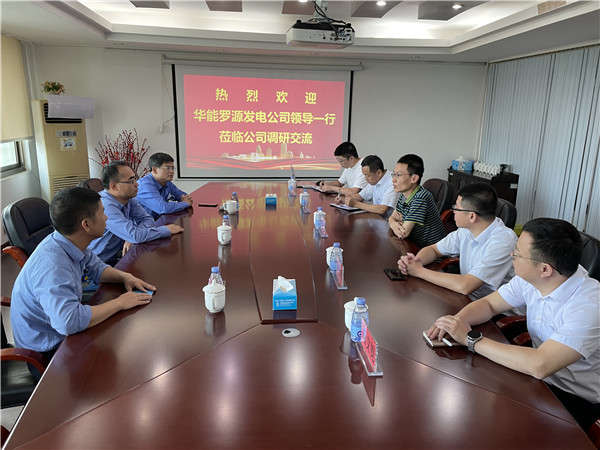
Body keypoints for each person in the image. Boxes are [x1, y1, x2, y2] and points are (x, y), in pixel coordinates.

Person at [426, 218, 599, 430]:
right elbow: (490, 304)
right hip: (535, 381)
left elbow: (540, 364)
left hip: (572, 399)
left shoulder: (590, 306)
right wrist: (457, 321)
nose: (511, 255)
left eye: (517, 253)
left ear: (545, 269)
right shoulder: (534, 277)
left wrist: (470, 339)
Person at [10, 187, 155, 380]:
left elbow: (97, 267)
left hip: (62, 332)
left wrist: (125, 277)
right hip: (46, 352)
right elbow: (68, 322)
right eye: (102, 213)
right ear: (86, 225)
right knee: (126, 366)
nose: (106, 218)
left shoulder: (68, 241)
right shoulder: (53, 266)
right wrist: (120, 303)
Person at [398, 182, 517, 299]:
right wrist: (416, 262)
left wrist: (419, 271)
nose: (453, 211)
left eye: (456, 208)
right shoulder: (466, 230)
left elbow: (466, 285)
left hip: (493, 307)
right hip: (467, 298)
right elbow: (434, 249)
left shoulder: (503, 242)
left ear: (471, 216)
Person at [89, 161, 183, 264]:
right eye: (131, 181)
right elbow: (135, 235)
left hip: (117, 257)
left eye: (135, 179)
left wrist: (131, 236)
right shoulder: (105, 205)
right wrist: (164, 230)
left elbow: (147, 219)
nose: (137, 184)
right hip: (95, 265)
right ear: (114, 186)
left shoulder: (128, 198)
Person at [388, 154, 445, 249]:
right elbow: (392, 217)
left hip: (429, 252)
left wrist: (398, 221)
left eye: (398, 175)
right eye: (393, 174)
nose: (393, 180)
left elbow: (403, 233)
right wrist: (393, 222)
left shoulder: (421, 197)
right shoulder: (404, 195)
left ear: (414, 178)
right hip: (411, 245)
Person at [136, 152, 193, 219]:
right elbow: (163, 208)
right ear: (155, 170)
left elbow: (182, 195)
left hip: (158, 220)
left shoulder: (166, 182)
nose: (172, 172)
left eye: (173, 168)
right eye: (167, 168)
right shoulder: (144, 185)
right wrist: (185, 203)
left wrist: (183, 198)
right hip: (143, 224)